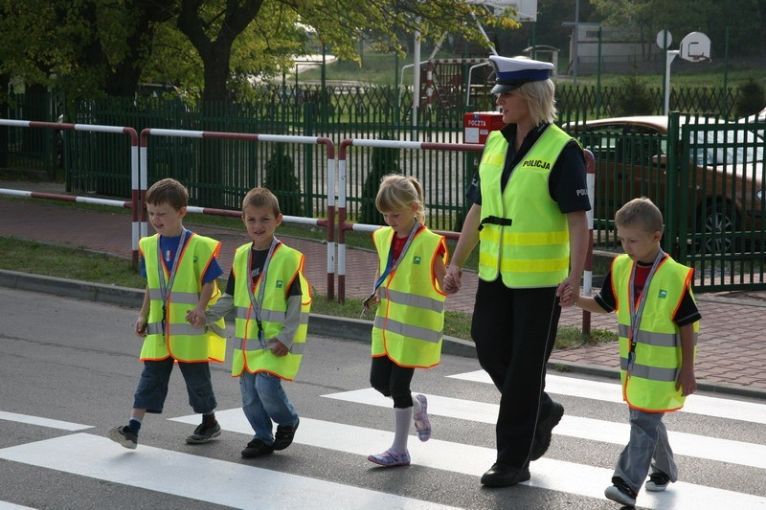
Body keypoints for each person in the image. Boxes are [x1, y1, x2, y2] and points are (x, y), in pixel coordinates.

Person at [443, 55, 590, 487]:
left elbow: (578, 221)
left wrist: (574, 276)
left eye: (506, 95)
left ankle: (512, 460)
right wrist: (456, 262)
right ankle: (541, 410)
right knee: (487, 348)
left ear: (530, 96)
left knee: (525, 370)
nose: (500, 102)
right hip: (496, 276)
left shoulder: (562, 149)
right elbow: (478, 209)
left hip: (542, 284)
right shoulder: (495, 144)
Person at [566, 197, 700, 507]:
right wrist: (575, 299)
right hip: (634, 371)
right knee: (647, 422)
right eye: (621, 239)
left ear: (657, 236)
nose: (626, 246)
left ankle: (625, 483)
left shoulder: (675, 275)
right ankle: (665, 469)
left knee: (643, 424)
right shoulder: (621, 267)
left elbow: (687, 327)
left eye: (633, 240)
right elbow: (604, 304)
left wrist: (689, 370)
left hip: (666, 371)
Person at [190, 187, 311, 459]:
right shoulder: (242, 255)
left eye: (265, 219)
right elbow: (232, 297)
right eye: (252, 219)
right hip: (247, 346)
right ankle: (262, 437)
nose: (258, 226)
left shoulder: (288, 258)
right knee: (249, 397)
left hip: (275, 342)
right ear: (243, 220)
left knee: (266, 388)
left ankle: (288, 420)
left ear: (278, 220)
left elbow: (297, 304)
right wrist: (206, 314)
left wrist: (286, 338)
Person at [108, 178, 226, 450]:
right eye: (151, 213)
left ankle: (209, 421)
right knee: (150, 377)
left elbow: (210, 282)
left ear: (181, 212)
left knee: (198, 382)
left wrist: (200, 308)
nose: (156, 219)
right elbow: (151, 284)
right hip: (159, 329)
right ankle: (132, 428)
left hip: (189, 329)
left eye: (162, 214)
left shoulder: (199, 246)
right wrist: (142, 314)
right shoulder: (150, 246)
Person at [363, 174, 448, 467]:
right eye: (385, 214)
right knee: (378, 382)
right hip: (387, 327)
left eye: (395, 214)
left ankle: (399, 450)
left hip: (414, 331)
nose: (389, 220)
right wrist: (376, 292)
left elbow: (442, 280)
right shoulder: (385, 236)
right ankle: (416, 404)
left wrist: (450, 282)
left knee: (398, 386)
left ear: (414, 208)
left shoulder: (429, 243)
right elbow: (384, 270)